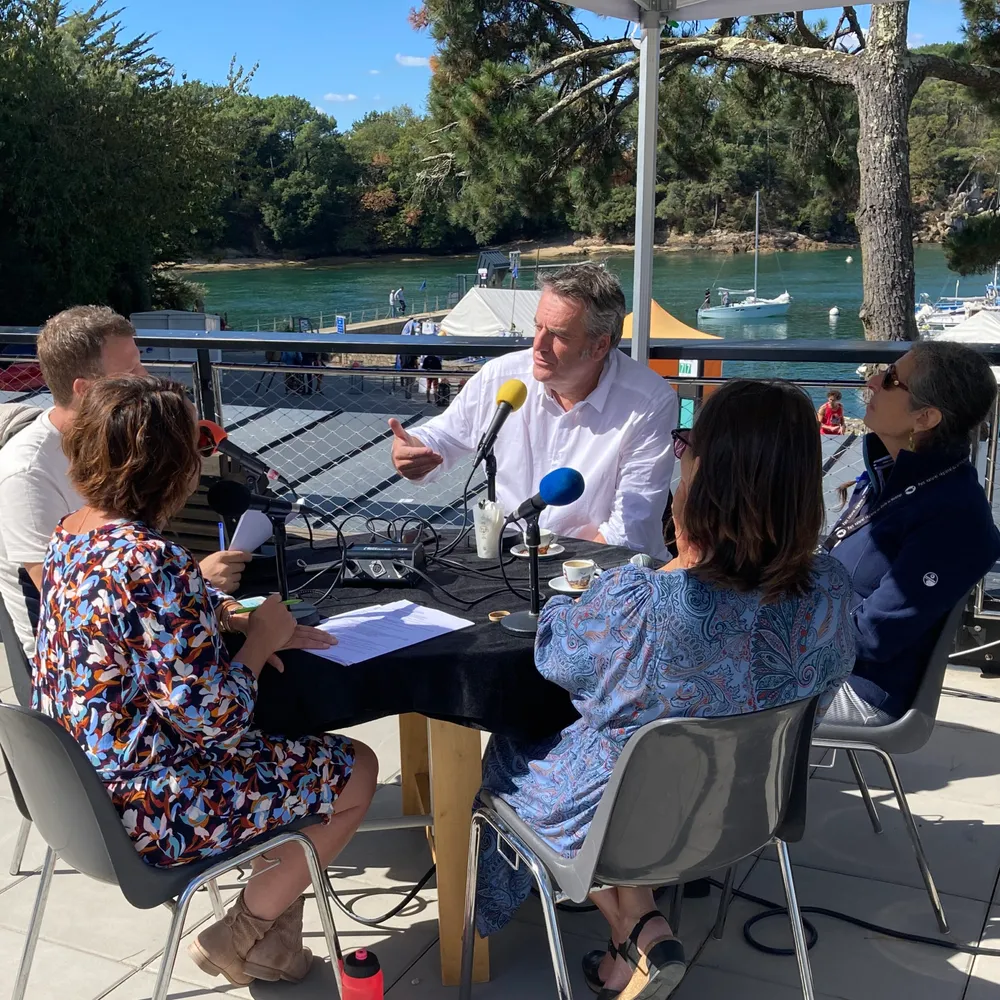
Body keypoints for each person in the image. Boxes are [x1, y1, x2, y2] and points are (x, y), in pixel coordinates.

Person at [474, 379, 856, 999]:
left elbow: (556, 653)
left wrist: (671, 563)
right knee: (628, 740)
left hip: (621, 825)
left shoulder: (647, 604)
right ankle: (640, 932)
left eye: (685, 445)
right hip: (746, 808)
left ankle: (636, 924)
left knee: (515, 752)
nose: (678, 457)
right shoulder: (832, 590)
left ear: (708, 475)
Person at [32, 375, 378, 985]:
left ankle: (272, 948)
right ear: (172, 469)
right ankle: (237, 933)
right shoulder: (150, 559)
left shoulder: (70, 533)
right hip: (151, 808)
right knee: (355, 769)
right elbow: (215, 721)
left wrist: (224, 618)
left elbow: (123, 623)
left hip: (82, 794)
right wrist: (264, 639)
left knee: (284, 755)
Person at [0, 306, 249, 657]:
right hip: (82, 665)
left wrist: (216, 604)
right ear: (85, 390)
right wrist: (191, 584)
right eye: (132, 370)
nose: (147, 377)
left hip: (140, 631)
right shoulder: (27, 474)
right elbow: (74, 603)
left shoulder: (111, 444)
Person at [388, 264, 679, 559]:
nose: (538, 345)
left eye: (558, 335)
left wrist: (569, 581)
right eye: (538, 326)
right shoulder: (501, 377)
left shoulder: (649, 401)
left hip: (605, 571)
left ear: (599, 345)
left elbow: (630, 531)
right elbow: (441, 438)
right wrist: (411, 450)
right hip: (513, 561)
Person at [825, 342, 1000, 725]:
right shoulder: (890, 475)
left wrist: (782, 627)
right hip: (821, 660)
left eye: (890, 380)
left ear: (925, 418)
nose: (872, 381)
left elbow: (874, 635)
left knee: (695, 678)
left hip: (861, 687)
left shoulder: (953, 517)